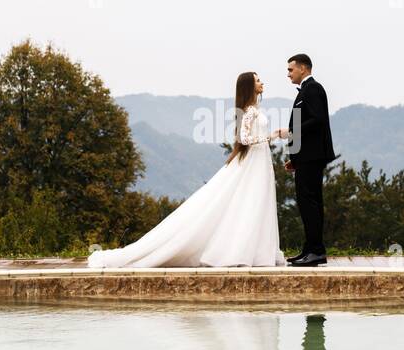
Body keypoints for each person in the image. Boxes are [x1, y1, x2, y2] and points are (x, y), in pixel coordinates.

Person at [87, 71, 288, 268]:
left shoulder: (253, 109)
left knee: (257, 202)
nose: (262, 83)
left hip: (260, 160)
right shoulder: (250, 111)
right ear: (249, 86)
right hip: (253, 160)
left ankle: (256, 251)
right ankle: (244, 251)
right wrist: (271, 136)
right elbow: (244, 139)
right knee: (251, 202)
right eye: (257, 80)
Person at [282, 54, 338, 267]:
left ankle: (316, 251)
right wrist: (294, 158)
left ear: (303, 69)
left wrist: (289, 132)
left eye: (290, 70)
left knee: (311, 203)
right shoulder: (304, 91)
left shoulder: (313, 89)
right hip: (305, 157)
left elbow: (318, 120)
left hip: (313, 157)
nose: (288, 74)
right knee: (306, 204)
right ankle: (310, 248)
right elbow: (304, 122)